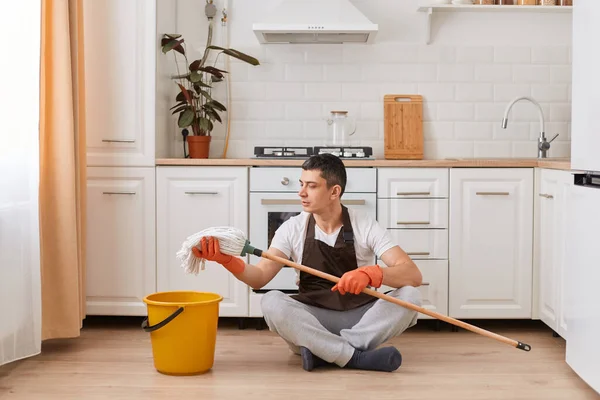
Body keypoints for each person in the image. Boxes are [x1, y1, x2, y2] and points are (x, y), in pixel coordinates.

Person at [193, 153, 423, 373]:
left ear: (334, 192)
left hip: (359, 318)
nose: (301, 192)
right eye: (301, 184)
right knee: (272, 301)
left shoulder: (364, 224)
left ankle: (326, 352)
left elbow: (412, 274)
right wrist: (226, 260)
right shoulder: (293, 228)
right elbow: (260, 276)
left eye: (311, 186)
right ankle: (355, 356)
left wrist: (371, 273)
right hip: (311, 321)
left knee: (411, 296)